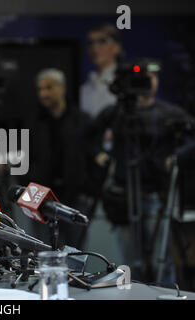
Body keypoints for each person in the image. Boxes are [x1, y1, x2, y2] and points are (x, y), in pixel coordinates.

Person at [89, 60, 195, 282]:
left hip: (157, 195)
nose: (146, 82)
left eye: (151, 77)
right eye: (141, 77)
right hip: (123, 197)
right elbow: (88, 135)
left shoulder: (169, 113)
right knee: (130, 262)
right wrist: (99, 154)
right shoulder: (118, 112)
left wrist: (176, 158)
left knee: (161, 262)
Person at [25, 68, 93, 250]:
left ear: (61, 88)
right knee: (43, 253)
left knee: (75, 256)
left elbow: (92, 158)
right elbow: (23, 159)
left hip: (75, 198)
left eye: (48, 88)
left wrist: (87, 188)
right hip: (39, 197)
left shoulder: (82, 120)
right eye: (40, 89)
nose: (43, 94)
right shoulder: (32, 122)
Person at [80, 23, 122, 119]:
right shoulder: (83, 89)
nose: (95, 47)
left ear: (116, 47)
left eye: (102, 41)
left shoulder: (127, 84)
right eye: (90, 43)